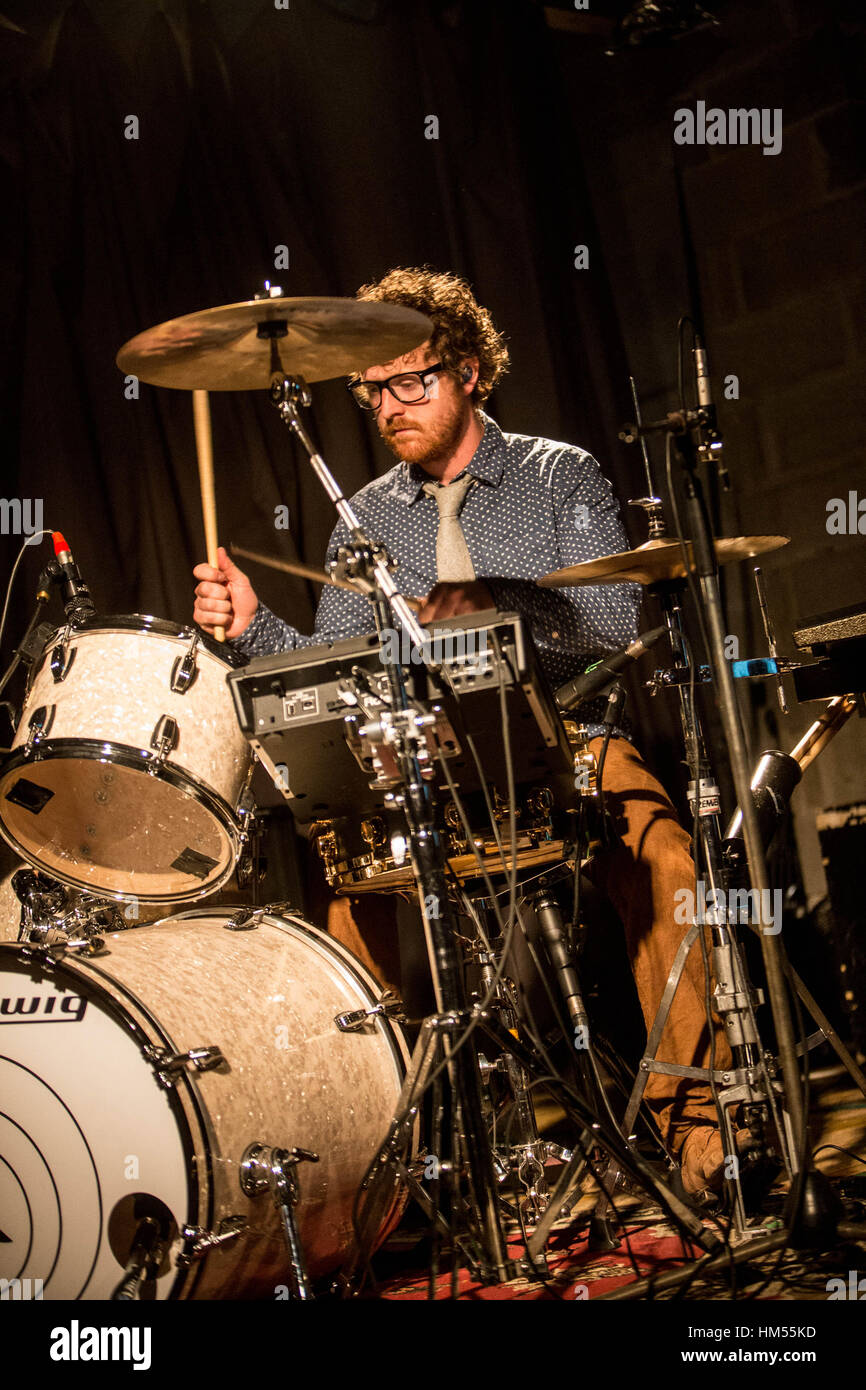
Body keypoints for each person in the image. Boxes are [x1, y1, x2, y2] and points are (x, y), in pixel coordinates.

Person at [193, 267, 744, 1200]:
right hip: (433, 771)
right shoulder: (360, 518)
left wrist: (503, 601)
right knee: (345, 909)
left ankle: (695, 1131)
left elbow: (612, 624)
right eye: (374, 387)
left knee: (666, 861)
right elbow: (341, 668)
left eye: (415, 380)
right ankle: (369, 1175)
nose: (391, 404)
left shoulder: (559, 475)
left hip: (563, 742)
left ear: (474, 371)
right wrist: (255, 630)